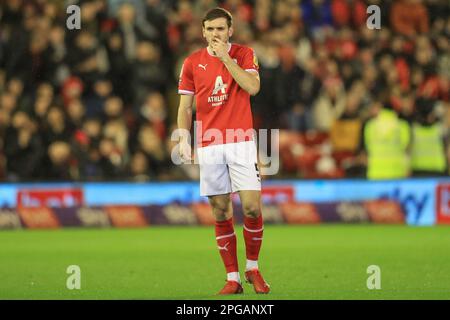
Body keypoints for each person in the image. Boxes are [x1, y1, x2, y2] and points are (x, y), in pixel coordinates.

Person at [176, 8, 270, 295]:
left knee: (252, 206)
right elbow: (185, 107)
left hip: (240, 140)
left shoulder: (243, 54)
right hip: (209, 143)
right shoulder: (192, 63)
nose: (215, 34)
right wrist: (183, 138)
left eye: (220, 29)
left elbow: (252, 87)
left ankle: (252, 267)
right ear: (203, 31)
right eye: (210, 29)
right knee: (220, 210)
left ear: (230, 30)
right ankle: (233, 278)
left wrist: (226, 59)